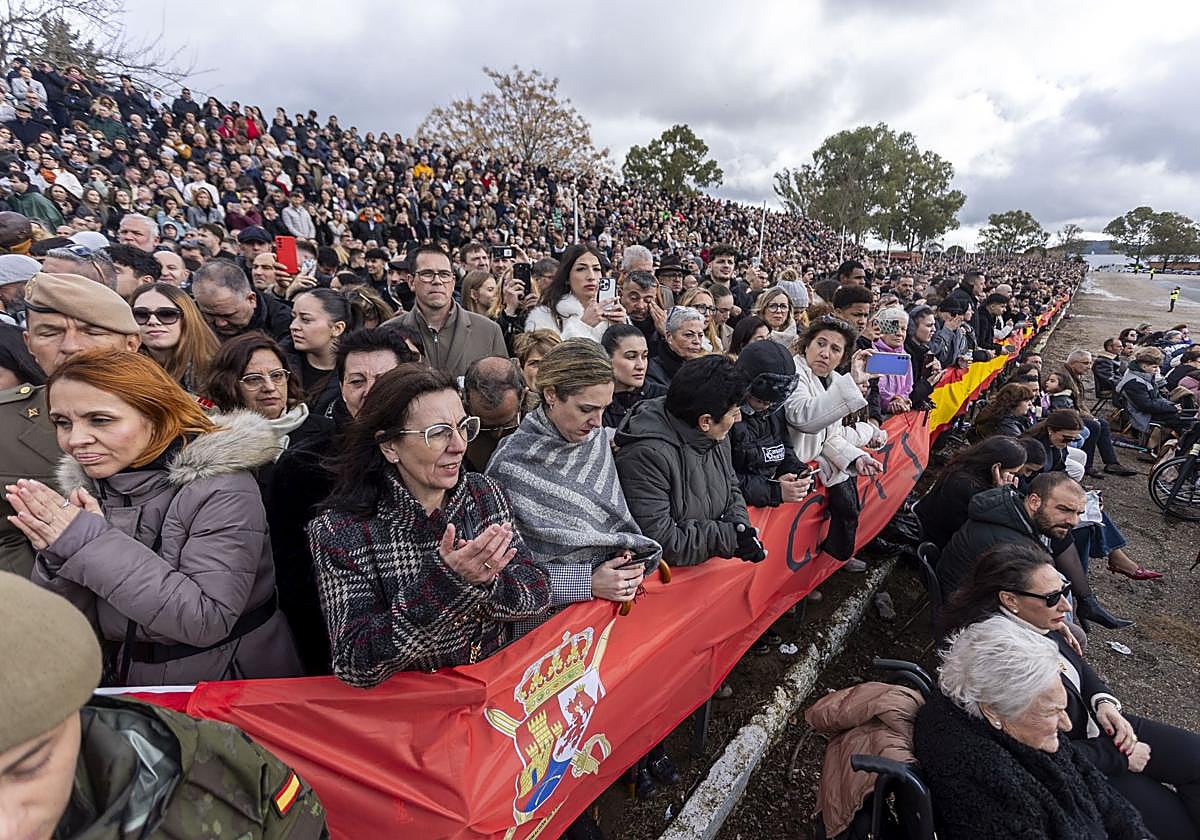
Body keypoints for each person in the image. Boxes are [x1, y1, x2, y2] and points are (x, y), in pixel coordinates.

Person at [11, 349, 303, 685]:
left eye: (100, 420)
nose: (75, 440)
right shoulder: (94, 486)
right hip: (126, 679)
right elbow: (63, 625)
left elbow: (206, 619)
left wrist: (87, 542)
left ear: (155, 414)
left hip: (222, 685)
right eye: (62, 422)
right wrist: (58, 553)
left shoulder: (221, 487)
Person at [0, 571, 329, 840]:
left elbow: (205, 614)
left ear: (74, 710)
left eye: (29, 768)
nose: (7, 828)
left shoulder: (221, 771)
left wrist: (81, 538)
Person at [307, 365, 551, 686]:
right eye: (437, 433)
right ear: (389, 446)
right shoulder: (341, 532)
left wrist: (489, 583)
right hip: (415, 713)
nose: (459, 445)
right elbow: (356, 663)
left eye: (463, 426)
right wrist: (446, 585)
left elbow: (537, 592)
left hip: (493, 694)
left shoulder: (483, 493)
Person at [942, 545, 1200, 840]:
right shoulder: (1004, 658)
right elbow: (1032, 755)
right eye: (1053, 597)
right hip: (1081, 759)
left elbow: (1077, 665)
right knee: (1178, 826)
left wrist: (1103, 702)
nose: (1066, 605)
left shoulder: (1036, 619)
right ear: (1009, 599)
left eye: (1064, 589)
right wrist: (1117, 758)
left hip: (1096, 725)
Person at [913, 615, 1150, 840]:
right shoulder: (989, 780)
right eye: (1052, 712)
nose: (1066, 724)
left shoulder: (1014, 719)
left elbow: (1086, 776)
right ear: (992, 710)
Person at [487, 339, 661, 633]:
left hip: (607, 615)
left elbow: (606, 521)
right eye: (586, 409)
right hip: (544, 629)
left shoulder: (592, 441)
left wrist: (622, 556)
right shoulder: (510, 466)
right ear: (552, 395)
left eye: (604, 408)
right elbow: (498, 576)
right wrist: (587, 582)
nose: (597, 422)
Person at [1, 273, 141, 578]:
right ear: (29, 344)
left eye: (91, 331)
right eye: (50, 332)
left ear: (131, 343)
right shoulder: (4, 424)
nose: (71, 346)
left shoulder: (185, 416)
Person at [615, 355, 764, 568]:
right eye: (734, 413)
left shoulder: (716, 435)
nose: (738, 419)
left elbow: (731, 489)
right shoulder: (645, 456)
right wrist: (726, 538)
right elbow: (661, 541)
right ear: (705, 421)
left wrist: (739, 528)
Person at [937, 472, 1132, 630]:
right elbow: (1016, 601)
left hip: (989, 599)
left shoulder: (1012, 510)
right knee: (1071, 630)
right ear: (1034, 501)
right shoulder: (1010, 545)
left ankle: (1087, 601)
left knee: (1060, 534)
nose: (1074, 520)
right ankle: (1084, 606)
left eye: (1078, 513)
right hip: (974, 617)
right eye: (1064, 509)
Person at [785, 317, 885, 569]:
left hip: (812, 474)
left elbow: (830, 436)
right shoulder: (793, 374)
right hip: (790, 477)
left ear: (842, 357)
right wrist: (851, 383)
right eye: (821, 343)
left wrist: (856, 457)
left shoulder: (831, 380)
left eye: (835, 349)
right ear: (806, 345)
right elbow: (805, 418)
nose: (825, 353)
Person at [203, 332, 333, 458]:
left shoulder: (325, 431)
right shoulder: (212, 439)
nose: (270, 388)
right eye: (253, 379)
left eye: (277, 375)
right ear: (228, 386)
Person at [393, 245, 506, 378]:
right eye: (427, 274)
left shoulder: (489, 331)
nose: (437, 281)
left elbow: (503, 389)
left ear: (453, 282)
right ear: (411, 282)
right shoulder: (390, 332)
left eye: (444, 274)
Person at [730, 338, 812, 507]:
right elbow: (721, 477)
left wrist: (798, 472)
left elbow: (784, 448)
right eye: (760, 400)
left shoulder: (773, 411)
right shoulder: (726, 415)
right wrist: (774, 491)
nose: (766, 406)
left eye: (772, 402)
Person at [915, 436, 1028, 549]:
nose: (1012, 478)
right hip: (939, 538)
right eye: (1011, 473)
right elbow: (980, 524)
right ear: (996, 468)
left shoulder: (967, 465)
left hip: (938, 526)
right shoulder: (966, 486)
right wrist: (999, 494)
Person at [525, 244, 627, 343]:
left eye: (596, 269)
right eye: (581, 269)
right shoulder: (543, 317)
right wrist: (582, 327)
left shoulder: (612, 315)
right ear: (567, 277)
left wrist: (623, 331)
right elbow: (548, 358)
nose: (591, 276)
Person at [1059, 349, 1137, 476]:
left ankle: (1111, 463)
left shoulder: (1074, 376)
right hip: (1065, 415)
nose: (1089, 367)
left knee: (1103, 424)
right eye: (1085, 363)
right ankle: (1087, 465)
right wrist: (1088, 417)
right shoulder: (1064, 378)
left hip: (1075, 413)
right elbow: (1065, 405)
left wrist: (1090, 415)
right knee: (1094, 425)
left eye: (1090, 363)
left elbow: (1080, 403)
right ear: (1073, 362)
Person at [130, 281, 218, 392]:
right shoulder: (123, 368)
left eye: (167, 314)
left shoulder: (217, 371)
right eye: (141, 314)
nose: (153, 321)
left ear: (187, 319)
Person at [286, 288, 356, 415]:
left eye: (306, 320)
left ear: (337, 328)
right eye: (293, 317)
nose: (293, 326)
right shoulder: (279, 363)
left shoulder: (356, 372)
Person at [192, 257, 293, 343]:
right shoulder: (187, 317)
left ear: (251, 299)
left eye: (228, 315)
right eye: (209, 315)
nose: (220, 323)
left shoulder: (284, 323)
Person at [461, 356, 524, 471]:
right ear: (466, 403)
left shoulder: (545, 423)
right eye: (486, 427)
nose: (497, 435)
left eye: (507, 425)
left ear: (522, 398)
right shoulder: (455, 427)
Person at [600, 323, 665, 429]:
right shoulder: (595, 400)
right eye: (631, 357)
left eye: (644, 356)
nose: (641, 366)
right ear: (607, 358)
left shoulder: (662, 398)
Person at [1115, 346, 1186, 432]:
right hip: (1141, 415)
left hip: (1148, 410)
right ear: (1144, 366)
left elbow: (1157, 397)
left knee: (1183, 414)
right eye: (1155, 367)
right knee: (1179, 419)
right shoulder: (1134, 382)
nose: (1157, 370)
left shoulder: (1145, 375)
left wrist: (1171, 405)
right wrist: (1172, 408)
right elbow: (1146, 405)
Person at [645, 305, 706, 388]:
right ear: (669, 337)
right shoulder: (653, 371)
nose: (697, 341)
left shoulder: (704, 368)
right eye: (689, 335)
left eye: (700, 335)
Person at [513, 329, 560, 412]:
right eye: (535, 363)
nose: (542, 370)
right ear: (521, 368)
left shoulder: (574, 403)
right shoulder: (510, 406)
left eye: (550, 363)